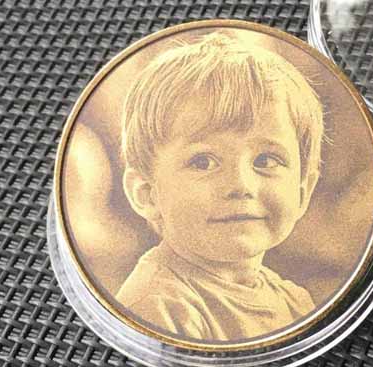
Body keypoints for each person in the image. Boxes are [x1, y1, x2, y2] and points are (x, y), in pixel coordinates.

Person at [116, 31, 325, 342]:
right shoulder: (159, 308)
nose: (240, 185)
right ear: (147, 193)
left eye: (266, 160)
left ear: (302, 191)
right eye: (203, 162)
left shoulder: (294, 301)